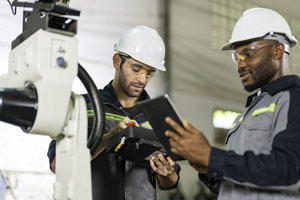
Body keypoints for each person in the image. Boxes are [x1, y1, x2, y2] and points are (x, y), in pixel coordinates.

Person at [165, 7, 300, 200]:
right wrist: (208, 169)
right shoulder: (249, 112)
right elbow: (239, 184)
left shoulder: (293, 98)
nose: (240, 65)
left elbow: (289, 170)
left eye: (249, 53)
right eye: (237, 56)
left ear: (277, 50)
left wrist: (211, 156)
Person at [47, 25, 180, 199]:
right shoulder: (83, 107)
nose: (142, 79)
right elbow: (58, 166)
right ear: (117, 61)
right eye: (136, 68)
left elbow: (170, 182)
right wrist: (108, 138)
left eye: (149, 73)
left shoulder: (158, 116)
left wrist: (166, 173)